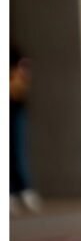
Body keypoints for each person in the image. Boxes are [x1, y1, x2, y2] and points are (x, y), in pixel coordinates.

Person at [10, 46, 42, 215]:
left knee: (18, 149)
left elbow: (24, 66)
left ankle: (24, 189)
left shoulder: (13, 51)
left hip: (15, 107)